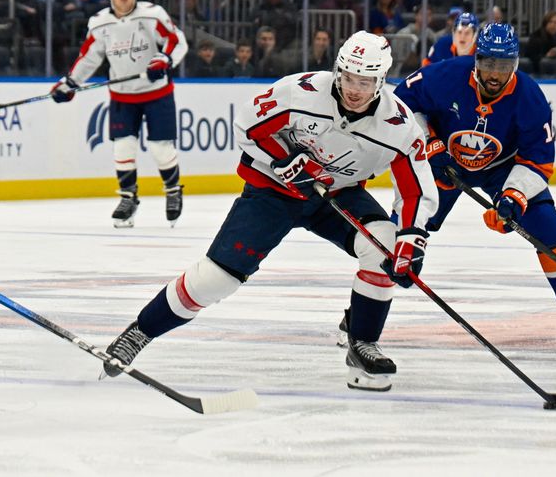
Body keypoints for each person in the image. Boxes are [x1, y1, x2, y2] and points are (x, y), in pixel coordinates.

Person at [101, 31, 438, 392]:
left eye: (366, 81)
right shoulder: (302, 91)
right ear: (338, 71)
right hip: (273, 192)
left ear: (382, 81)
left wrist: (411, 240)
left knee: (386, 247)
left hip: (336, 196)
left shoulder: (399, 125)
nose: (355, 89)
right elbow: (249, 126)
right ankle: (142, 331)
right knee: (216, 279)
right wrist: (286, 160)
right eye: (349, 78)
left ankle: (363, 342)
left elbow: (416, 189)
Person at [394, 23, 556, 349]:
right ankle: (361, 314)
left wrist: (512, 198)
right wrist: (428, 142)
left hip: (503, 169)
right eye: (488, 64)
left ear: (514, 64)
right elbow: (400, 106)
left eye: (503, 66)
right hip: (444, 163)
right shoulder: (446, 75)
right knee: (404, 233)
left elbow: (537, 162)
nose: (495, 74)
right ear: (476, 60)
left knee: (549, 227)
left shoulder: (530, 98)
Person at [51, 0, 188, 228]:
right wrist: (70, 83)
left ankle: (172, 191)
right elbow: (89, 57)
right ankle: (128, 198)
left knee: (160, 147)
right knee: (122, 147)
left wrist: (165, 60)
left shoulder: (152, 14)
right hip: (123, 95)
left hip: (156, 91)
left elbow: (175, 41)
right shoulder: (100, 23)